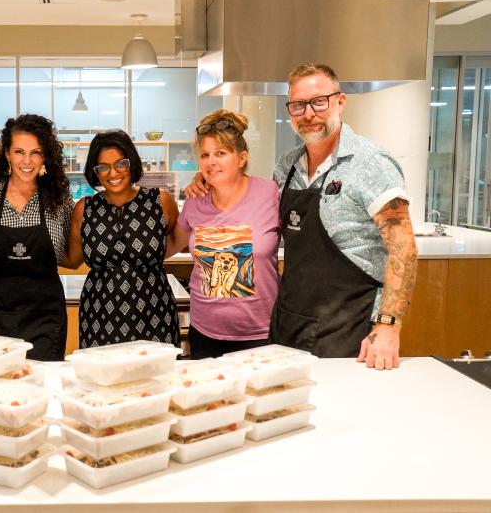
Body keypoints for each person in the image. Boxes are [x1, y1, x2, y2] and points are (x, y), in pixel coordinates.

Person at [271, 63, 417, 369]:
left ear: (340, 101)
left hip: (351, 325)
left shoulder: (371, 162)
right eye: (298, 105)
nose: (308, 114)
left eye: (318, 102)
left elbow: (403, 248)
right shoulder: (287, 166)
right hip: (290, 322)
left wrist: (388, 326)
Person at [166, 110, 280, 359]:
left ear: (241, 158)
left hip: (261, 334)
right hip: (205, 333)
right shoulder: (196, 200)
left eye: (220, 153)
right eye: (205, 155)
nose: (210, 162)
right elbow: (173, 243)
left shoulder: (270, 193)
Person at [64, 130, 180, 348]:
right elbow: (72, 259)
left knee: (156, 377)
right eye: (103, 167)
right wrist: (33, 247)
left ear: (131, 163)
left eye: (120, 163)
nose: (113, 172)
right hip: (99, 316)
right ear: (95, 171)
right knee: (102, 379)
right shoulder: (85, 209)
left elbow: (181, 242)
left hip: (154, 312)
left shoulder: (160, 202)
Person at [0, 114, 74, 360]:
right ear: (7, 154)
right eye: (19, 151)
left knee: (43, 386)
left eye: (36, 152)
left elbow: (71, 255)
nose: (27, 161)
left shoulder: (59, 199)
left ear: (45, 156)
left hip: (46, 315)